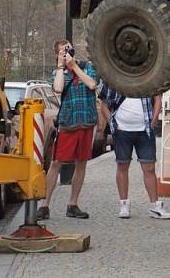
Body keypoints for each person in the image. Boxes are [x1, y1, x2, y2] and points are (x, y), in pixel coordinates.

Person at [37, 40, 98, 220]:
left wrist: (74, 66)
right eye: (63, 50)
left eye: (69, 48)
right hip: (68, 123)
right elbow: (58, 88)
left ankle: (73, 204)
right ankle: (45, 205)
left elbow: (92, 84)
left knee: (82, 162)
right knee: (56, 163)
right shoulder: (59, 72)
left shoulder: (87, 67)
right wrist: (61, 66)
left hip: (86, 121)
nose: (68, 51)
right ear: (57, 54)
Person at [98, 83, 170, 220]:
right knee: (122, 165)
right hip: (122, 130)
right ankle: (124, 204)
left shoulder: (147, 77)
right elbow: (104, 104)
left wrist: (154, 119)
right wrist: (113, 123)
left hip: (144, 130)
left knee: (149, 167)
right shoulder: (114, 78)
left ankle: (155, 206)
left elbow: (157, 98)